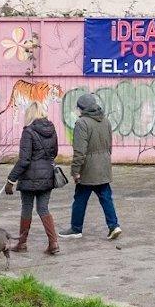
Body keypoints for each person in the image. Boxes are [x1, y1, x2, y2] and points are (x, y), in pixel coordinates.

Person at [59, 93, 122, 240]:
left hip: (88, 169)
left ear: (82, 108)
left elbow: (79, 150)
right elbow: (109, 145)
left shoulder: (82, 123)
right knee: (106, 197)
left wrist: (75, 171)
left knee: (80, 198)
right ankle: (114, 226)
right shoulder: (105, 121)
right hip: (104, 166)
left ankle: (76, 228)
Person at [5, 102, 60, 255]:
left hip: (29, 178)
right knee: (43, 208)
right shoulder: (52, 130)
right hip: (48, 175)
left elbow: (24, 160)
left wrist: (11, 180)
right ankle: (53, 243)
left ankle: (22, 244)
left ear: (29, 114)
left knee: (27, 208)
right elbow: (54, 153)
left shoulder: (28, 132)